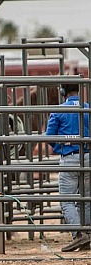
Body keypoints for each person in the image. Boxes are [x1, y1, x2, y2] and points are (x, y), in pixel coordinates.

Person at [45, 83, 91, 252]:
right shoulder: (87, 109)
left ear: (62, 92)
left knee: (67, 199)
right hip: (87, 157)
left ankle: (78, 235)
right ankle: (87, 234)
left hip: (69, 157)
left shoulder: (58, 110)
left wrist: (61, 148)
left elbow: (49, 136)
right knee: (85, 198)